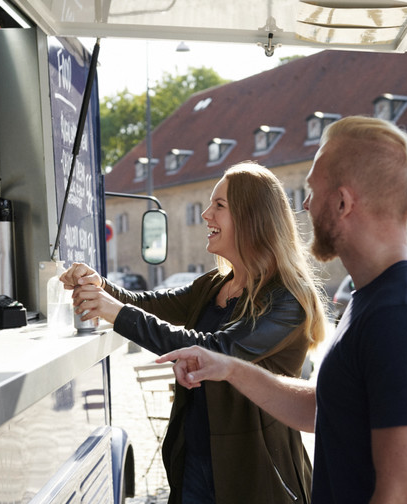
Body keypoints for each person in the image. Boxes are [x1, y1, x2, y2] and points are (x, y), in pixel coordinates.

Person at [158, 116, 407, 504]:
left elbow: (406, 497)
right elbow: (325, 409)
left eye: (312, 189)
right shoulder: (376, 297)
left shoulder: (403, 316)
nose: (305, 204)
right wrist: (230, 368)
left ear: (342, 202)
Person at [60, 162, 327, 504]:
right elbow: (151, 303)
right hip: (196, 462)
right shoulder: (216, 284)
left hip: (254, 473)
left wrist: (114, 311)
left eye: (219, 206)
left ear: (251, 218)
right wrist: (100, 285)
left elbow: (217, 350)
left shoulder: (286, 298)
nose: (205, 214)